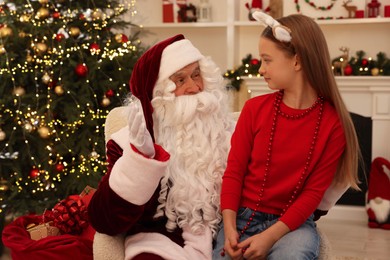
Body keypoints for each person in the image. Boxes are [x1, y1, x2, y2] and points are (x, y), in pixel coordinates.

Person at [212, 11, 361, 260]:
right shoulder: (254, 109)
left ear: (297, 61)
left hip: (292, 226)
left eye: (267, 60)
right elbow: (234, 172)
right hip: (241, 218)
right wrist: (228, 228)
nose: (261, 69)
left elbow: (313, 194)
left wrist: (270, 236)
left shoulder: (334, 124)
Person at [88, 34, 235, 259]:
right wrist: (141, 160)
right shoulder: (126, 142)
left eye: (197, 75)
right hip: (162, 244)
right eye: (180, 80)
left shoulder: (231, 134)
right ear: (158, 94)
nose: (195, 87)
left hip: (228, 237)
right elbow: (105, 220)